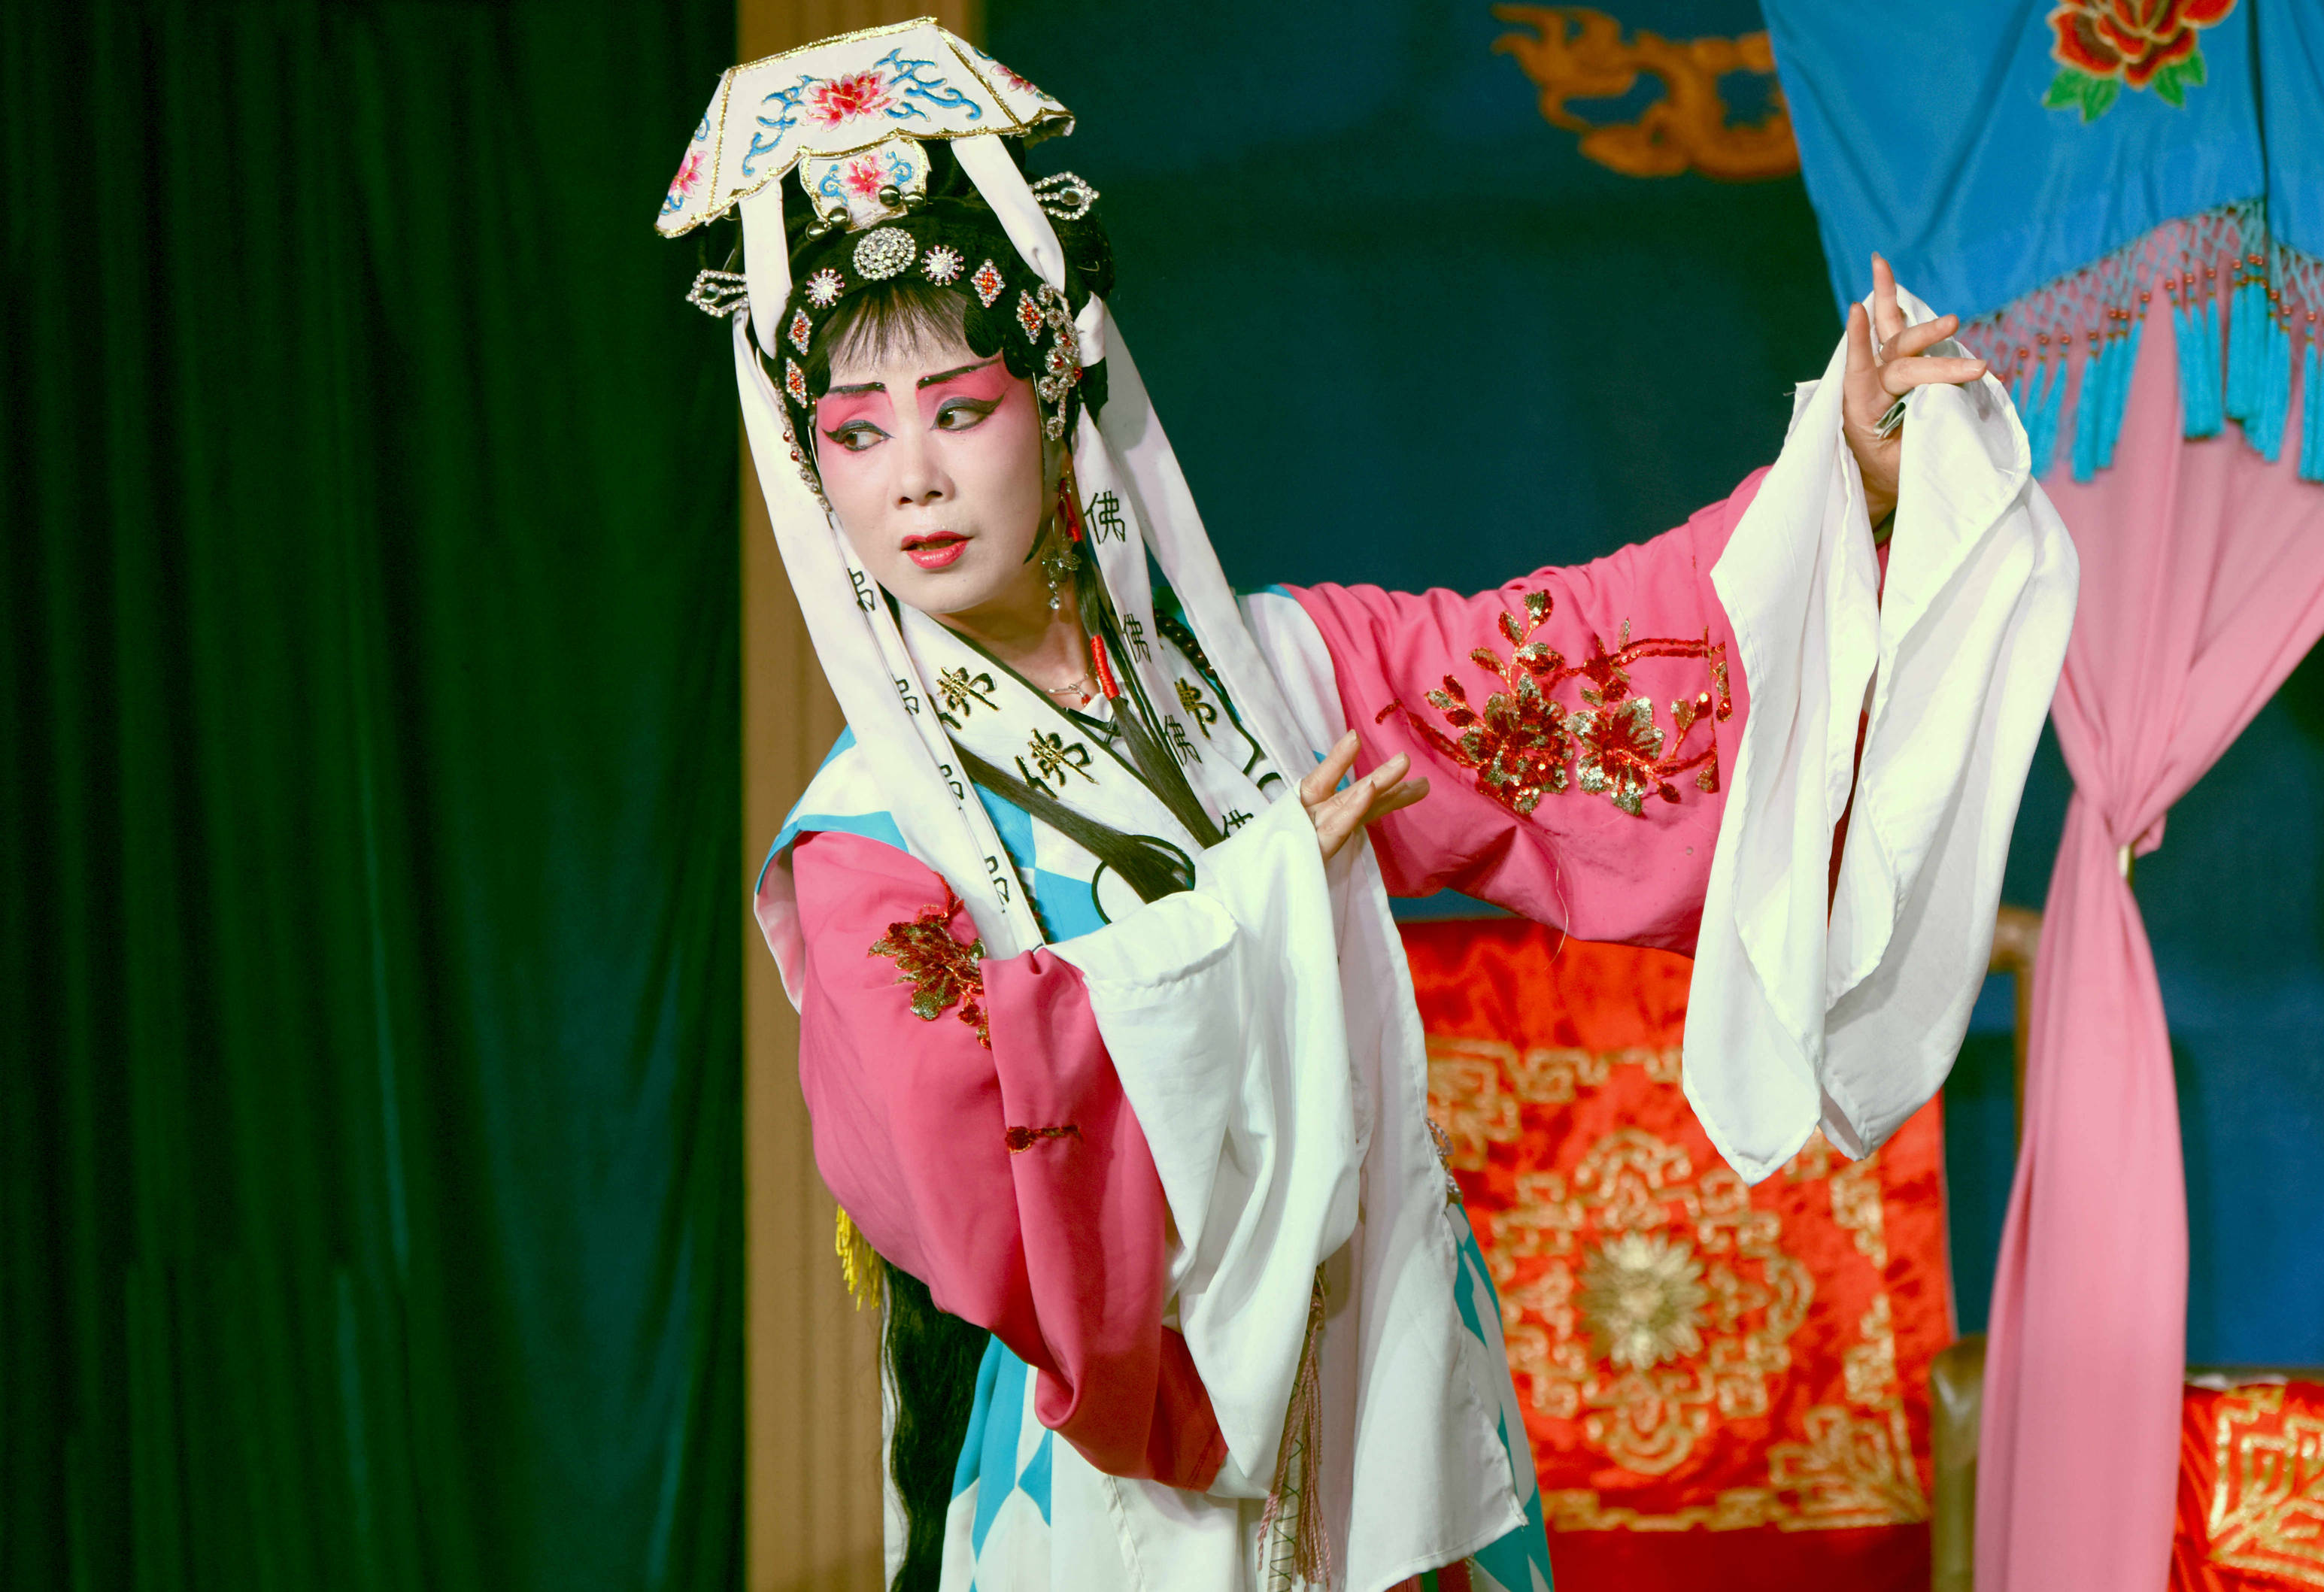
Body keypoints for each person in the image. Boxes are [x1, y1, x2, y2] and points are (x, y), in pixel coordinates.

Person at [660, 22, 2076, 1592]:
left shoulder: (1277, 679)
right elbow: (955, 1170)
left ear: (1055, 391)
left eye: (957, 407)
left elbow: (1572, 668)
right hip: (1116, 1495)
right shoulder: (871, 840)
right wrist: (1249, 905)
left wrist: (1844, 481)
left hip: (1379, 1417)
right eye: (855, 433)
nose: (911, 479)